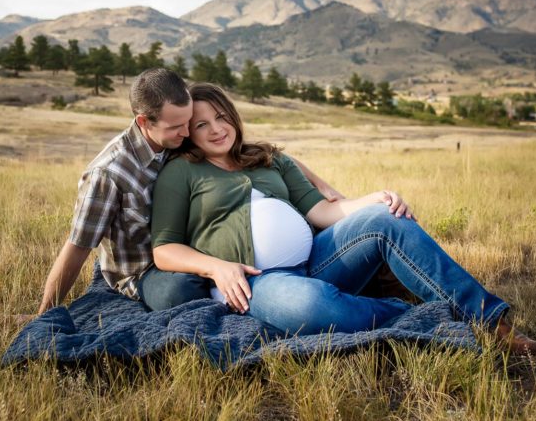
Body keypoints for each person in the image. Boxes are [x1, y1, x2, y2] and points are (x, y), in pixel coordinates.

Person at [151, 82, 536, 354]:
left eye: (222, 117)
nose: (217, 129)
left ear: (234, 116)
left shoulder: (269, 159)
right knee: (311, 306)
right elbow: (164, 249)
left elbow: (324, 211)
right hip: (255, 283)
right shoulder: (181, 172)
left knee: (387, 218)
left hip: (316, 262)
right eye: (202, 124)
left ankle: (492, 325)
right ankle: (432, 318)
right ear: (188, 132)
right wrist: (216, 267)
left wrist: (372, 201)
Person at [35, 68, 342, 315]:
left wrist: (318, 182)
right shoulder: (109, 173)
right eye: (177, 127)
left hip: (195, 248)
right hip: (148, 270)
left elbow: (260, 153)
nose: (187, 133)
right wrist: (46, 311)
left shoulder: (176, 139)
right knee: (181, 291)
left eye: (188, 123)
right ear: (144, 122)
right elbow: (77, 246)